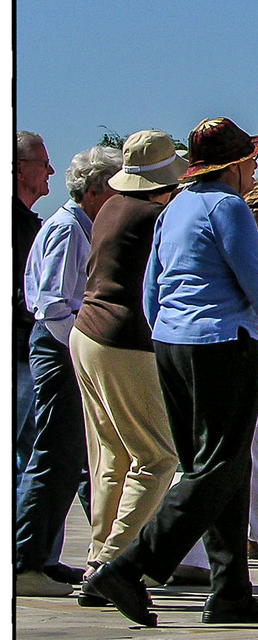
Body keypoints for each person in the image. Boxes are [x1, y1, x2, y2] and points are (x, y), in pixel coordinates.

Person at [86, 118, 258, 627]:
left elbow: (151, 290)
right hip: (222, 346)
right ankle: (129, 567)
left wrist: (170, 336)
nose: (256, 166)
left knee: (221, 468)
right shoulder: (229, 207)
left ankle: (230, 592)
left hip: (172, 345)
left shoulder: (174, 208)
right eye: (252, 159)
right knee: (218, 469)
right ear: (235, 164)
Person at [171, 180, 258, 588]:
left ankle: (191, 553)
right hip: (227, 349)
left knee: (222, 457)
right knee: (247, 459)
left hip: (193, 345)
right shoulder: (236, 226)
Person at [69, 132, 185, 591]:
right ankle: (111, 565)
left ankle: (98, 552)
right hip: (124, 340)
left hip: (87, 333)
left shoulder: (112, 206)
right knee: (159, 456)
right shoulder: (156, 216)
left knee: (112, 456)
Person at [16, 144, 122, 596]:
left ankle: (42, 556)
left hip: (64, 345)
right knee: (52, 454)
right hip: (60, 347)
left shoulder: (78, 226)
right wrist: (83, 349)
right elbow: (55, 305)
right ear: (96, 190)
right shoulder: (67, 230)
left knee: (67, 457)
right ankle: (26, 562)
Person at [15, 132, 53, 478]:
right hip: (17, 352)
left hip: (25, 349)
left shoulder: (31, 224)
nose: (50, 171)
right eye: (43, 164)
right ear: (20, 170)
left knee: (30, 455)